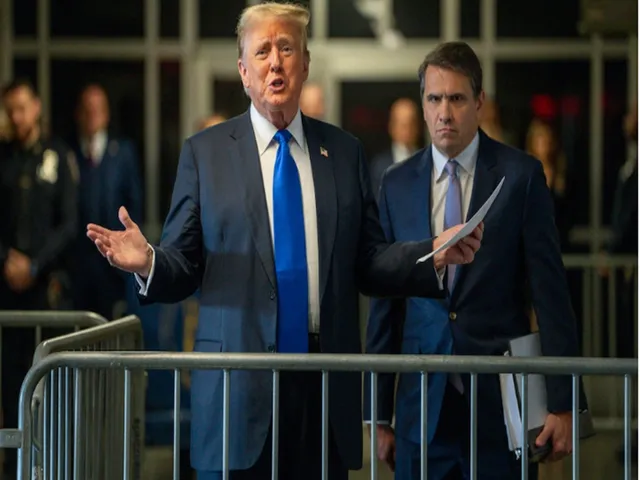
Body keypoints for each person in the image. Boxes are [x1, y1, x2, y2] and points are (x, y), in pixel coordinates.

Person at [86, 4, 483, 480]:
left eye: (287, 48)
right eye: (262, 51)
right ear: (243, 70)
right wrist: (149, 261)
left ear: (305, 63)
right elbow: (184, 264)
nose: (275, 61)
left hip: (322, 389)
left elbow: (369, 261)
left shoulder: (343, 152)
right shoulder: (206, 153)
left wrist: (431, 253)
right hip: (238, 389)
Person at [364, 41, 583, 480]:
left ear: (479, 102)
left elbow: (550, 293)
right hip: (421, 407)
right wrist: (378, 413)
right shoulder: (395, 183)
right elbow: (386, 302)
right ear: (423, 105)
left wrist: (565, 403)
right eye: (434, 99)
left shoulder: (520, 176)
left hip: (500, 407)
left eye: (456, 98)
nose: (444, 112)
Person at [0, 78, 78, 478]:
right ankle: (14, 468)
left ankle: (51, 467)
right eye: (10, 109)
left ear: (36, 108)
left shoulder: (57, 155)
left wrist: (34, 265)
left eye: (22, 108)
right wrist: (7, 261)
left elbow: (69, 223)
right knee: (11, 384)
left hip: (47, 292)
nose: (17, 117)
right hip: (7, 292)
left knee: (49, 388)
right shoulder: (4, 158)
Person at [69, 83, 143, 320]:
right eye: (87, 109)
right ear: (78, 114)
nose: (92, 115)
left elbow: (134, 203)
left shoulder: (123, 152)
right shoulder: (68, 153)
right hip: (77, 265)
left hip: (114, 264)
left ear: (107, 114)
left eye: (97, 109)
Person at [369, 97, 421, 198]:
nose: (407, 129)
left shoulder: (428, 162)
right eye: (402, 125)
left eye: (411, 123)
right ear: (392, 127)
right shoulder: (379, 167)